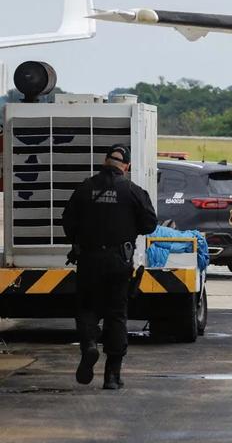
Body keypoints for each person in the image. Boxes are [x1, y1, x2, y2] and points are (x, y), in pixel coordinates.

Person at [62, 144, 158, 390]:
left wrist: (81, 240)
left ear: (105, 162)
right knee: (116, 314)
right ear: (126, 167)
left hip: (89, 261)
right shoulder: (132, 191)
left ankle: (90, 345)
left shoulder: (85, 188)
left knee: (86, 309)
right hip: (119, 262)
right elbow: (150, 224)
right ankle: (112, 377)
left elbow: (67, 222)